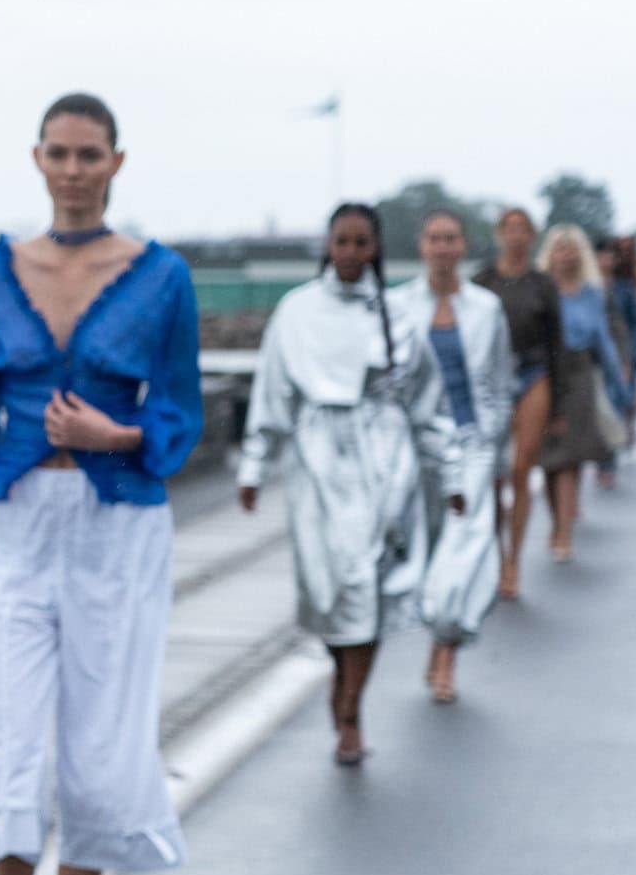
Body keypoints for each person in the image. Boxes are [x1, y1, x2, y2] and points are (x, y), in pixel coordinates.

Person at [0, 92, 203, 875]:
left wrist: (116, 433)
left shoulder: (161, 275)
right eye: (60, 153)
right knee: (14, 752)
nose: (75, 169)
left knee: (96, 759)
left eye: (91, 154)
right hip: (11, 522)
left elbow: (182, 405)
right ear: (38, 159)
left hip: (116, 527)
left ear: (116, 162)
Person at [238, 203, 462, 764]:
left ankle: (352, 708)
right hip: (316, 461)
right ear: (328, 245)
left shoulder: (396, 313)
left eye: (363, 243)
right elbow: (272, 391)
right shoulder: (296, 311)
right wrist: (254, 465)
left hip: (384, 460)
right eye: (342, 241)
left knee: (369, 584)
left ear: (376, 248)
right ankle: (342, 678)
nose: (352, 253)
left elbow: (428, 403)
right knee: (329, 589)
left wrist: (450, 472)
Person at [396, 213, 514, 704]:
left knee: (463, 549)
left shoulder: (486, 308)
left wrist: (491, 441)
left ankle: (446, 655)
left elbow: (500, 381)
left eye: (451, 239)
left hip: (471, 444)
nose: (442, 247)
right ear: (422, 245)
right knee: (430, 548)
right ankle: (436, 637)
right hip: (417, 445)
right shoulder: (398, 305)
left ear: (463, 246)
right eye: (434, 239)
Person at [470, 207, 563, 600]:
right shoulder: (483, 281)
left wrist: (559, 404)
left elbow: (557, 342)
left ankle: (514, 561)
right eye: (509, 229)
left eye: (523, 229)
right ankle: (493, 553)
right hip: (491, 379)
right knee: (492, 475)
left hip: (532, 373)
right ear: (500, 234)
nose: (516, 236)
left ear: (532, 236)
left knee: (522, 468)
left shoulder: (542, 283)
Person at [535, 225, 631, 561]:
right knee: (549, 457)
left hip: (579, 374)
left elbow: (602, 338)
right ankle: (556, 518)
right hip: (544, 372)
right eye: (560, 249)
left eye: (571, 249)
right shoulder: (541, 289)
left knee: (571, 456)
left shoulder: (592, 292)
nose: (566, 256)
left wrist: (620, 384)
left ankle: (564, 530)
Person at [597, 235, 636, 486]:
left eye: (610, 255)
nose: (605, 260)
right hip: (594, 357)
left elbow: (634, 324)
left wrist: (630, 355)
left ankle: (608, 460)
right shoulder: (587, 286)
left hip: (621, 354)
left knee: (616, 404)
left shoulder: (625, 287)